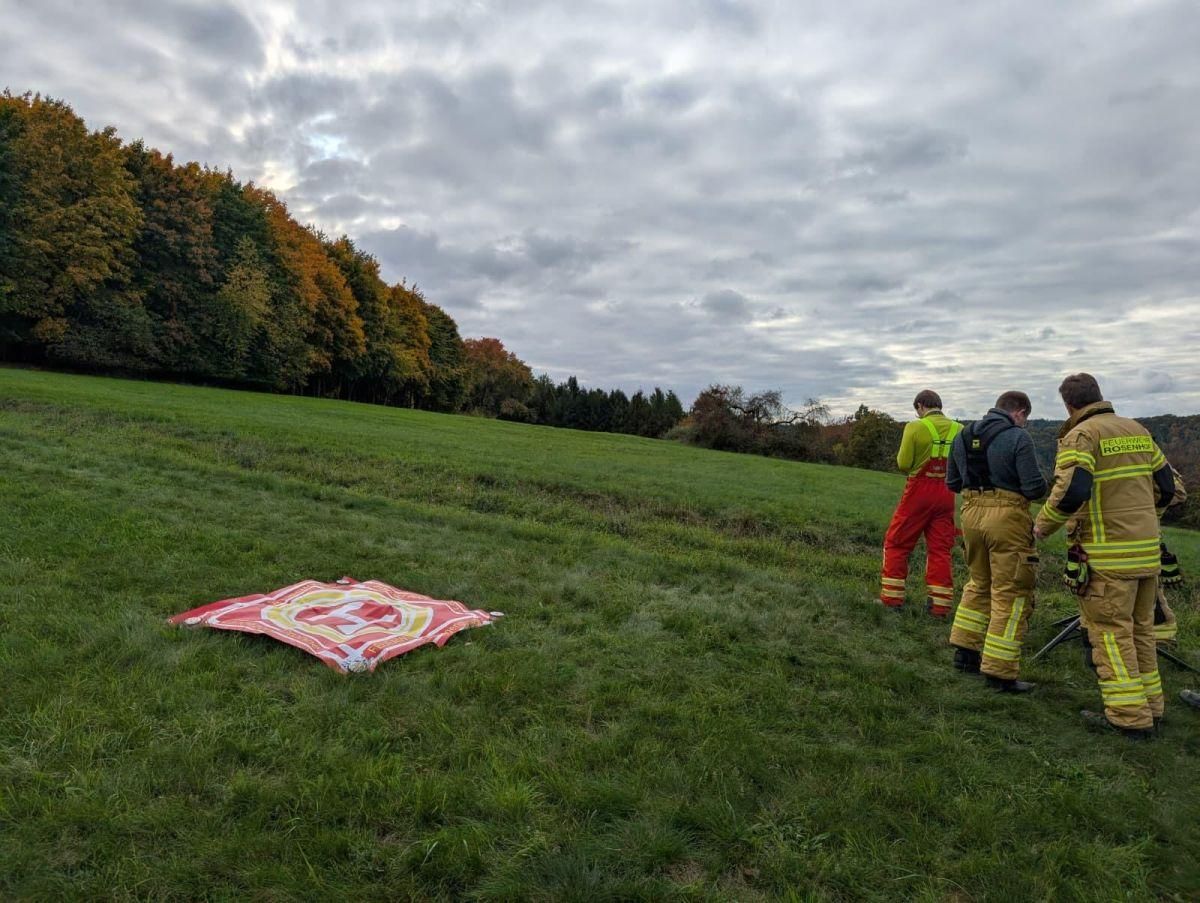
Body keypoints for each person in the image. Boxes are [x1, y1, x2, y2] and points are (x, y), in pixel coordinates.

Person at [1033, 373, 1176, 739]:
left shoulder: (1083, 435)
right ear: (1099, 395)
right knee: (1141, 633)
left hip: (1108, 557)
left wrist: (1041, 527)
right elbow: (1167, 487)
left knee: (1111, 636)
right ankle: (1152, 708)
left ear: (1068, 405)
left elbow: (1073, 490)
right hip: (1146, 555)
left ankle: (1128, 719)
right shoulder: (1137, 430)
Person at [945, 391, 1047, 692]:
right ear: (1020, 412)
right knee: (1011, 593)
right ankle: (1000, 673)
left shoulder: (962, 435)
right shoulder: (1018, 437)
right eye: (1025, 418)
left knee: (978, 583)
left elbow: (952, 482)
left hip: (971, 514)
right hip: (1008, 519)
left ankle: (965, 654)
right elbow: (1033, 488)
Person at [879, 390, 961, 614]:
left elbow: (904, 464)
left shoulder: (914, 427)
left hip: (918, 493)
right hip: (946, 493)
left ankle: (892, 600)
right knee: (940, 549)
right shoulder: (959, 429)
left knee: (897, 542)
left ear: (920, 406)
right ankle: (940, 606)